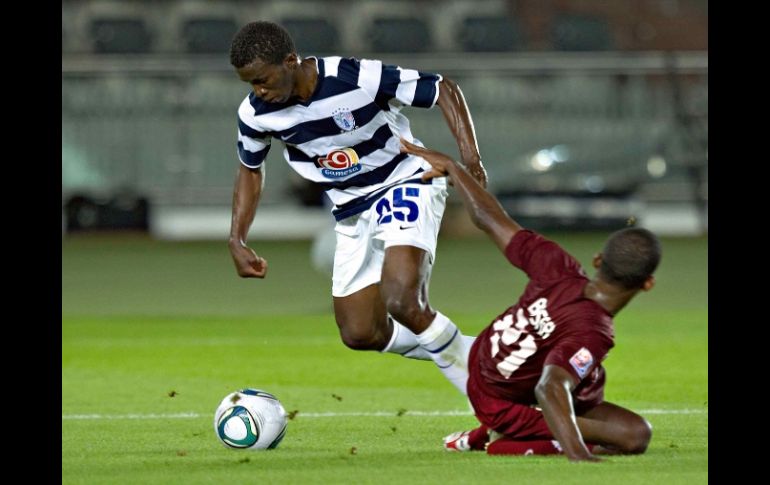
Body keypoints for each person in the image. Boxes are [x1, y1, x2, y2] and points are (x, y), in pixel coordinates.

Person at [227, 21, 487, 394]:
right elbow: (250, 170)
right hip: (351, 208)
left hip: (405, 181)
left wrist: (471, 159)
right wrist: (237, 238)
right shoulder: (255, 113)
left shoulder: (354, 76)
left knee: (403, 300)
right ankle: (487, 354)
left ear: (290, 61)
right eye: (250, 84)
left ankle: (494, 403)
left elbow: (443, 88)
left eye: (263, 80)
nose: (259, 91)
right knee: (360, 332)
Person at [399, 139, 661, 461]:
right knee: (631, 438)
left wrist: (454, 168)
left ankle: (497, 431)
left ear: (597, 260)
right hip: (499, 401)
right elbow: (549, 388)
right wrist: (578, 454)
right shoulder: (593, 331)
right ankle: (500, 438)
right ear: (647, 284)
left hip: (487, 359)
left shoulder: (557, 267)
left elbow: (489, 217)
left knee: (601, 391)